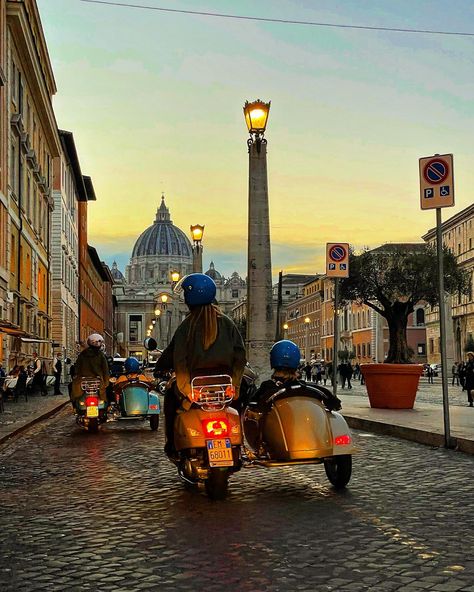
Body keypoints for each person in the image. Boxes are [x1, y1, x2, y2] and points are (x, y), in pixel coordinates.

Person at [154, 273, 246, 456]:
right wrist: (235, 384)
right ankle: (240, 443)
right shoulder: (227, 323)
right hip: (224, 384)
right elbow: (240, 354)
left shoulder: (186, 326)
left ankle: (172, 444)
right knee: (238, 405)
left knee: (171, 403)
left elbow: (178, 359)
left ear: (188, 299)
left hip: (196, 386)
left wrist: (183, 386)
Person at [250, 340, 341, 412]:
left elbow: (253, 405)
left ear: (272, 360)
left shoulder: (267, 387)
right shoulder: (311, 389)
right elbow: (335, 404)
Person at [70, 334, 110, 408]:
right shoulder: (101, 355)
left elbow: (77, 367)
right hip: (98, 381)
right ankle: (108, 406)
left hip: (82, 381)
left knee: (72, 389)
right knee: (108, 391)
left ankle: (75, 407)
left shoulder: (82, 354)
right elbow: (105, 369)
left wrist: (75, 376)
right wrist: (106, 381)